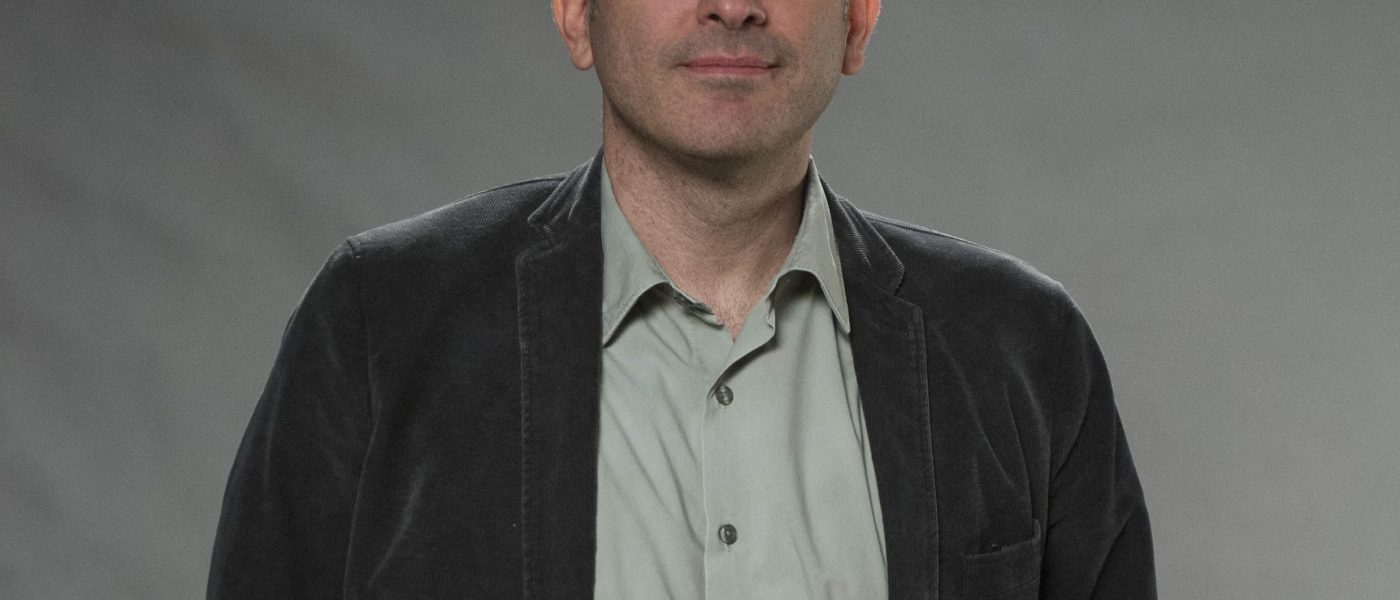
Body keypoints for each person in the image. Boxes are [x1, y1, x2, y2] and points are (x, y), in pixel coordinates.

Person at [208, 0, 1156, 598]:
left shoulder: (1023, 350)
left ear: (860, 19)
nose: (732, 6)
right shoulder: (379, 324)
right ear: (575, 13)